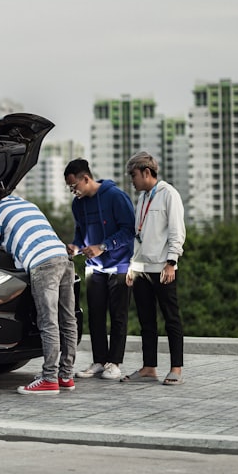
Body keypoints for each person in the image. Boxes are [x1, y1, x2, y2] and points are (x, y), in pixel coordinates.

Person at [0, 182, 78, 395]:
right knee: (68, 320)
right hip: (63, 258)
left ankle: (49, 379)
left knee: (48, 322)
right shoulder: (27, 204)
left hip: (43, 265)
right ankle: (65, 376)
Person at [63, 159, 136, 381]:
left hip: (120, 265)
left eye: (74, 186)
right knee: (95, 315)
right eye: (69, 188)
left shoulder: (115, 196)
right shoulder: (78, 204)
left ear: (86, 179)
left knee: (118, 316)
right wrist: (75, 246)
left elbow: (128, 231)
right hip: (94, 268)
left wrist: (103, 247)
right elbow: (79, 232)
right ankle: (99, 361)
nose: (73, 191)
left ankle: (114, 363)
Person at [121, 152, 187, 385]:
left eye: (134, 175)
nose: (132, 180)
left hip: (162, 268)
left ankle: (176, 369)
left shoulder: (169, 194)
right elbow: (138, 236)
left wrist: (171, 263)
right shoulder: (142, 198)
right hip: (141, 269)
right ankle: (149, 367)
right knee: (146, 321)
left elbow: (176, 232)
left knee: (171, 319)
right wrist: (132, 266)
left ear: (147, 172)